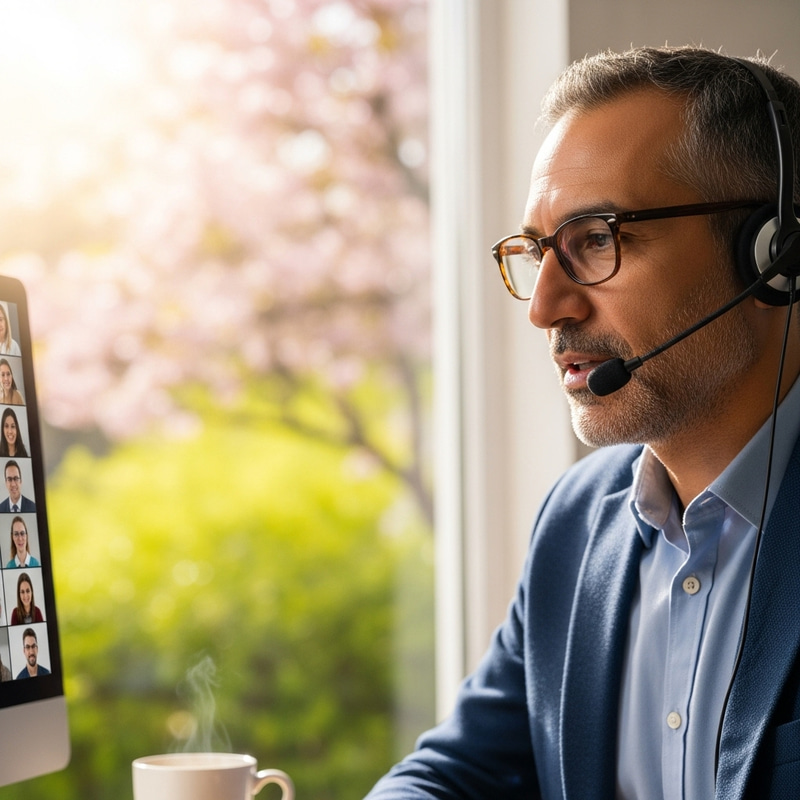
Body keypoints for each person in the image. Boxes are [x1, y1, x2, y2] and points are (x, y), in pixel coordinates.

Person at [365, 46, 800, 800]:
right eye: (537, 253)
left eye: (596, 239)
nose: (544, 307)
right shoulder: (578, 516)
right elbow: (462, 771)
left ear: (774, 253)